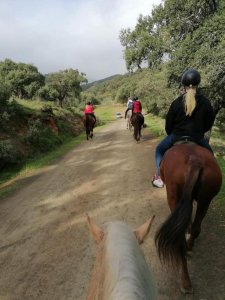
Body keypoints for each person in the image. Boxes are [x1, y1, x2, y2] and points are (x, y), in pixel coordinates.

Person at [152, 69, 215, 188]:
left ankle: (159, 176)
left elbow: (168, 125)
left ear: (184, 84)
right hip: (197, 138)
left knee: (159, 150)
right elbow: (209, 124)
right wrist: (200, 132)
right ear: (198, 83)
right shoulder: (206, 103)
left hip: (176, 136)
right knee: (210, 155)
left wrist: (172, 135)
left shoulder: (176, 102)